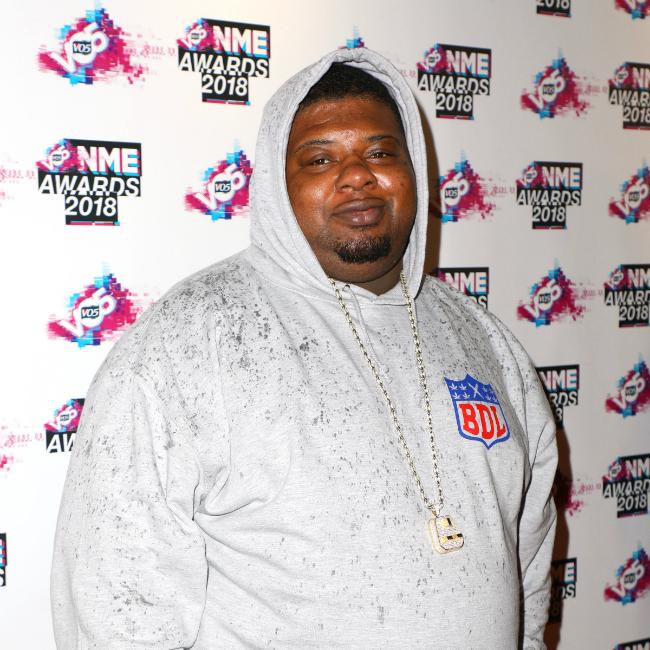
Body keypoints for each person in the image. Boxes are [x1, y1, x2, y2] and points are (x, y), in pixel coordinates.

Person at [51, 47, 557, 649]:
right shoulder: (190, 340)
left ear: (414, 171)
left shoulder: (484, 339)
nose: (357, 175)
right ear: (275, 184)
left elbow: (529, 551)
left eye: (380, 153)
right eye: (320, 159)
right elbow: (117, 599)